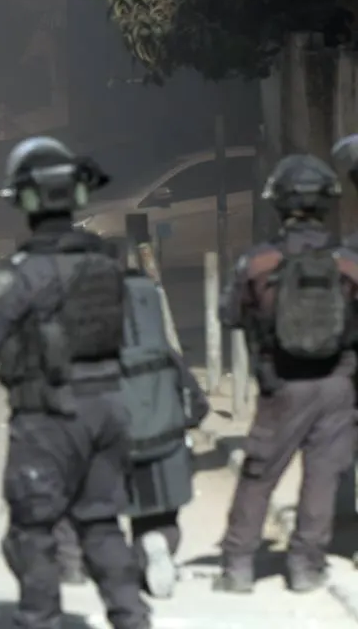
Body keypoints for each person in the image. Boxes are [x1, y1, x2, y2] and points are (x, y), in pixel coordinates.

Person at [0, 137, 151, 629]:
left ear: (25, 201)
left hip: (50, 416)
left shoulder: (25, 272)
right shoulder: (105, 262)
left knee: (34, 530)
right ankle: (132, 618)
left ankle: (41, 619)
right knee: (101, 524)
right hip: (108, 407)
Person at [215, 153, 358, 593]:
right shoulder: (348, 262)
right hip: (337, 386)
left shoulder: (258, 261)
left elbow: (229, 314)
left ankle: (238, 567)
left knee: (259, 474)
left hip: (281, 385)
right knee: (322, 478)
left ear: (278, 203)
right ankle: (305, 567)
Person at [54, 240, 210, 599]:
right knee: (157, 506)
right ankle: (156, 541)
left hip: (101, 429)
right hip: (158, 427)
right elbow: (175, 367)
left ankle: (73, 562)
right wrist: (188, 412)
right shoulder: (145, 299)